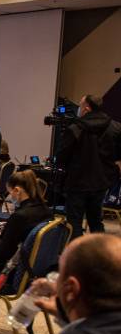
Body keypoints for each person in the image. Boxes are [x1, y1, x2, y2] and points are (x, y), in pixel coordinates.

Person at [58, 94, 121, 239]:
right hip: (101, 183)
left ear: (86, 108)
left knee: (74, 223)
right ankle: (100, 251)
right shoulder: (116, 128)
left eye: (80, 105)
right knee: (96, 221)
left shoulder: (75, 129)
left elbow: (62, 157)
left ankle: (78, 252)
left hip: (77, 183)